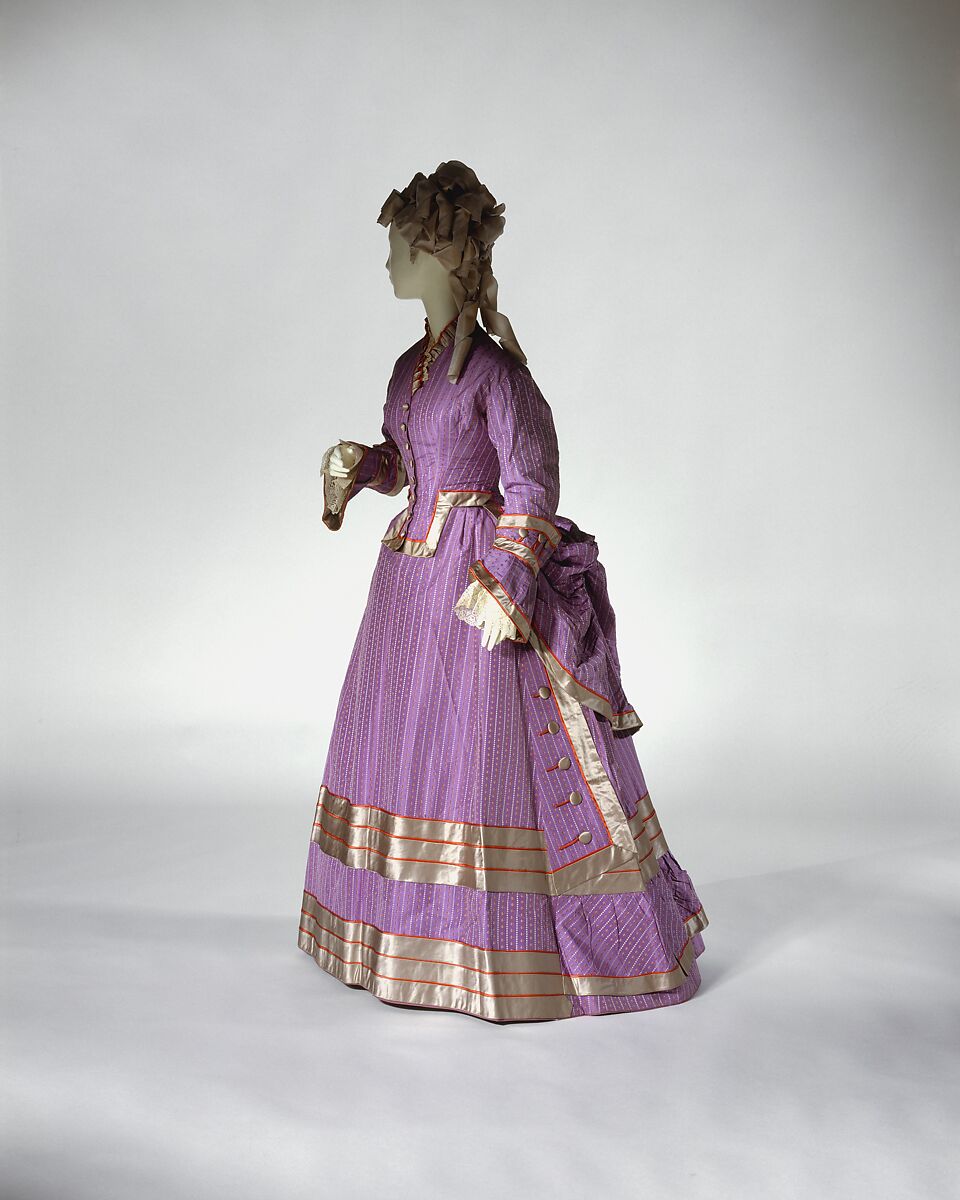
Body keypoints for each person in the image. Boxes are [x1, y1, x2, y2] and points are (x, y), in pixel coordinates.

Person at [298, 160, 708, 1021]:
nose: (387, 263)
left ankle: (494, 943)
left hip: (473, 581)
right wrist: (364, 468)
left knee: (474, 757)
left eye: (398, 249)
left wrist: (509, 584)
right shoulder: (408, 368)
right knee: (401, 746)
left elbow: (532, 486)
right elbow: (410, 462)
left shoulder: (497, 375)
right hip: (409, 586)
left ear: (437, 257)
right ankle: (397, 933)